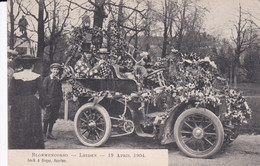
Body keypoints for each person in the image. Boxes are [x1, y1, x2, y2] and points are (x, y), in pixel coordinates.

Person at [8, 55, 48, 149]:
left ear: (22, 66)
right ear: (32, 66)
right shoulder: (36, 77)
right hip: (31, 103)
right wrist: (44, 104)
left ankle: (17, 146)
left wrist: (10, 103)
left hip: (17, 103)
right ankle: (31, 146)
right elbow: (42, 93)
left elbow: (10, 92)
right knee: (32, 125)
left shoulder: (15, 76)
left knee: (18, 124)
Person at [43, 63, 64, 140]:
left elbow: (60, 90)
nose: (56, 71)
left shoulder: (58, 80)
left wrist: (60, 99)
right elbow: (44, 91)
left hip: (56, 101)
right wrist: (45, 101)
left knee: (53, 117)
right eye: (54, 69)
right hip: (49, 102)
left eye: (57, 69)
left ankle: (49, 133)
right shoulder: (47, 79)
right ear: (51, 70)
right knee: (47, 117)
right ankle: (44, 134)